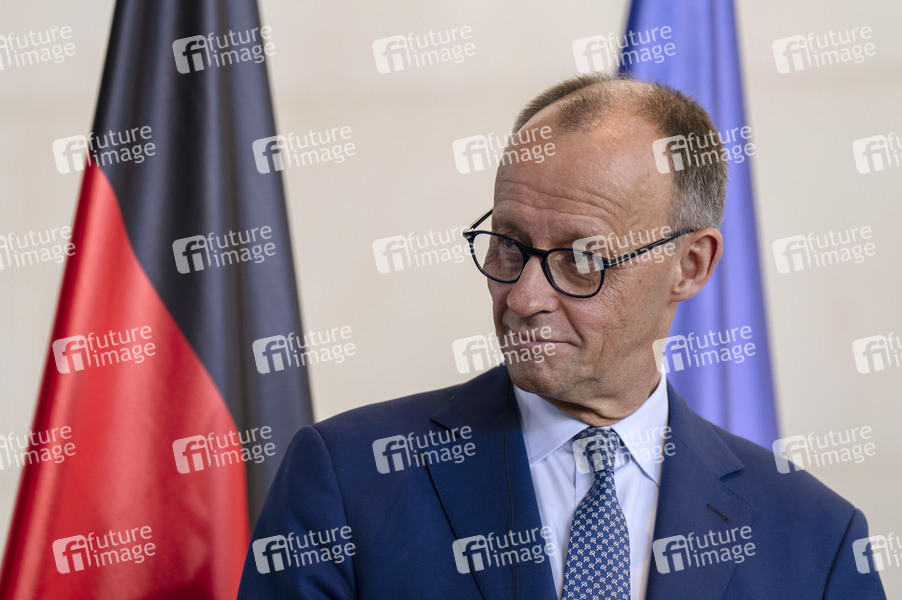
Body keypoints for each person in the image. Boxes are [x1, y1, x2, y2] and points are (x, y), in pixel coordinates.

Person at [236, 73, 886, 599]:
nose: (523, 298)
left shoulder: (816, 541)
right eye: (509, 245)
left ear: (690, 266)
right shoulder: (348, 479)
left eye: (581, 258)